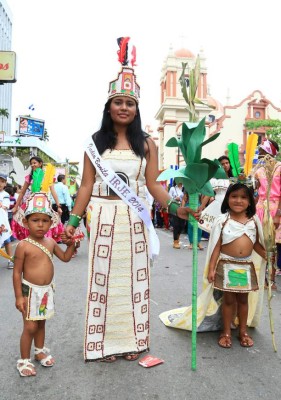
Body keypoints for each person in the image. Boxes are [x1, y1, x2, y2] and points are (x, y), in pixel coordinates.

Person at [64, 37, 198, 363]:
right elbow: (84, 186)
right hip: (105, 219)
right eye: (118, 102)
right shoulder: (93, 144)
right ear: (108, 106)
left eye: (130, 103)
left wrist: (175, 207)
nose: (124, 107)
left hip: (135, 220)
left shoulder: (147, 144)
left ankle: (133, 341)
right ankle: (105, 343)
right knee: (105, 282)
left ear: (136, 109)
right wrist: (71, 221)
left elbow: (152, 184)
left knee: (134, 282)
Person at [13, 192, 76, 377]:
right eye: (35, 220)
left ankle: (39, 350)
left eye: (45, 220)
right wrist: (18, 296)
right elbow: (17, 272)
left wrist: (72, 245)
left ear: (51, 223)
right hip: (29, 291)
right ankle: (24, 360)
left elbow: (65, 258)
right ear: (26, 222)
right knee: (30, 327)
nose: (40, 224)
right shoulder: (23, 245)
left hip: (46, 291)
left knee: (41, 324)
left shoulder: (50, 242)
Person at [207, 183, 266, 348]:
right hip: (226, 266)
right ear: (227, 199)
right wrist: (211, 269)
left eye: (243, 197)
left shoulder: (254, 221)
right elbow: (216, 247)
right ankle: (225, 332)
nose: (238, 200)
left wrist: (269, 255)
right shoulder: (223, 221)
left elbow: (256, 244)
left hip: (245, 267)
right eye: (234, 196)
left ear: (250, 201)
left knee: (243, 300)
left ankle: (243, 331)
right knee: (228, 301)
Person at [12, 156, 64, 242]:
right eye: (31, 163)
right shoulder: (30, 177)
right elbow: (22, 192)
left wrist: (59, 206)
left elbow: (53, 191)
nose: (32, 165)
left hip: (45, 202)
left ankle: (44, 242)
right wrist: (15, 206)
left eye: (34, 163)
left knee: (46, 222)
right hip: (32, 202)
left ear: (40, 164)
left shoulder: (47, 176)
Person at [254, 139, 281, 289]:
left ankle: (271, 279)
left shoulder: (280, 168)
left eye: (262, 151)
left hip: (275, 208)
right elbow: (257, 194)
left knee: (273, 246)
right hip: (260, 208)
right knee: (261, 244)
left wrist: (278, 214)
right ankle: (262, 278)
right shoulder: (258, 171)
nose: (259, 154)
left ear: (269, 152)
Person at [0, 173, 14, 268]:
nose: (0, 183)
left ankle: (10, 259)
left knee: (7, 240)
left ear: (5, 184)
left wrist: (2, 205)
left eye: (2, 181)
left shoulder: (5, 195)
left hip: (2, 222)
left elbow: (5, 206)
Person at [169, 180, 185, 249]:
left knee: (182, 225)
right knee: (176, 224)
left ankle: (178, 239)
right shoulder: (173, 188)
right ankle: (175, 241)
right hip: (175, 208)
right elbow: (169, 198)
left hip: (183, 208)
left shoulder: (185, 188)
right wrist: (175, 198)